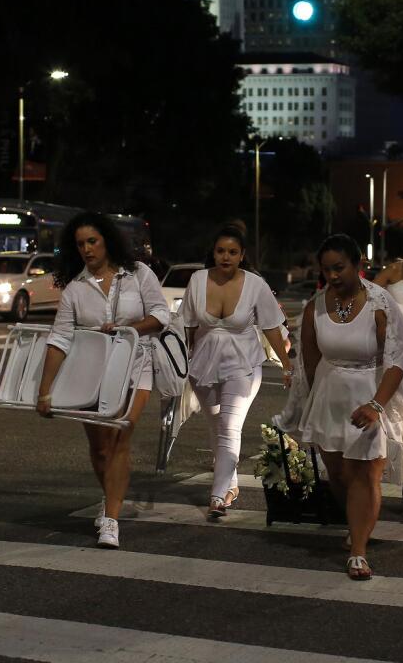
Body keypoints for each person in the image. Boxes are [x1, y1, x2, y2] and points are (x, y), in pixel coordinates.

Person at [37, 211, 170, 550]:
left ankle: (110, 520)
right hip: (91, 371)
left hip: (136, 364)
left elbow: (161, 315)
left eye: (92, 241)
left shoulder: (138, 274)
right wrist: (45, 390)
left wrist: (128, 330)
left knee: (120, 435)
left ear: (107, 240)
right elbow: (59, 338)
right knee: (99, 448)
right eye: (80, 244)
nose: (87, 249)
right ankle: (110, 497)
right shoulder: (74, 288)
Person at [298, 233, 403, 580]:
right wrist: (312, 403)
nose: (333, 276)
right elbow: (310, 361)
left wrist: (376, 405)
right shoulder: (315, 306)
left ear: (358, 265)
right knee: (339, 475)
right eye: (327, 270)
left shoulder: (380, 303)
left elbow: (398, 360)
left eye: (339, 267)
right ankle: (357, 526)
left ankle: (358, 551)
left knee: (366, 474)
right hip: (329, 396)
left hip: (370, 393)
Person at [181, 224, 292, 520]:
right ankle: (229, 485)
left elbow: (270, 326)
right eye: (220, 251)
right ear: (213, 253)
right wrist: (181, 362)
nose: (225, 257)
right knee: (216, 426)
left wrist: (287, 364)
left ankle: (217, 496)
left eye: (232, 252)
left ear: (242, 255)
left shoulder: (255, 284)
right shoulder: (197, 279)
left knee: (230, 427)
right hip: (202, 365)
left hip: (242, 365)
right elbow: (189, 325)